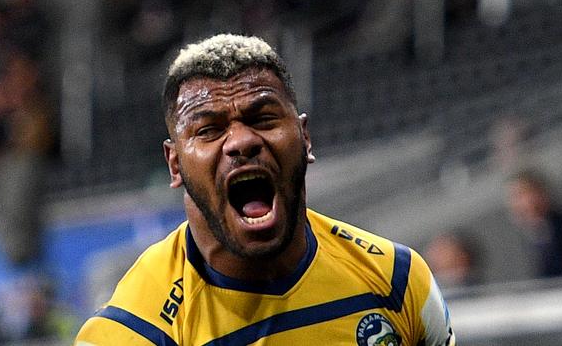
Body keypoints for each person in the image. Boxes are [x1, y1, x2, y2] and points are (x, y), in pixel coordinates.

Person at [75, 34, 455, 345]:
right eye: (209, 129)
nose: (240, 141)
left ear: (304, 138)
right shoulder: (131, 333)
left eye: (262, 117)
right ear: (175, 164)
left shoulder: (397, 280)